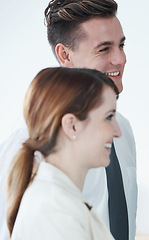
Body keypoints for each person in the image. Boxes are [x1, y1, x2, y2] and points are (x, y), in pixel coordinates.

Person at [0, 1, 137, 239]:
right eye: (104, 48)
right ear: (65, 55)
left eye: (121, 45)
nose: (121, 59)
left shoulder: (121, 128)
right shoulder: (30, 137)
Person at [7, 67, 120, 239]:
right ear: (72, 125)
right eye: (109, 117)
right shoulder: (54, 209)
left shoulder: (61, 202)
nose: (118, 132)